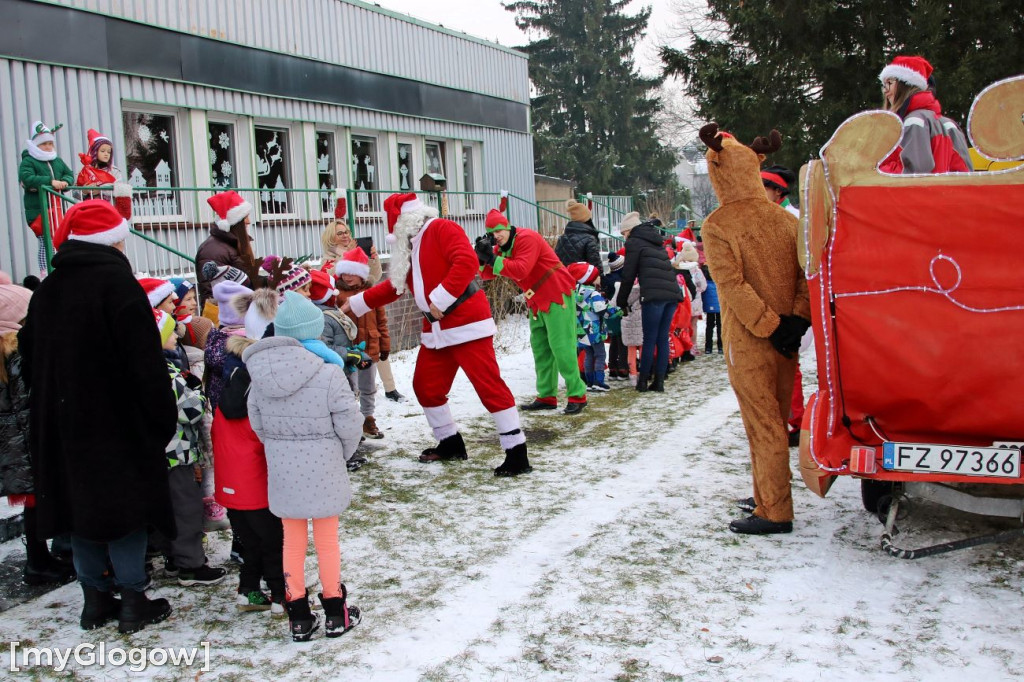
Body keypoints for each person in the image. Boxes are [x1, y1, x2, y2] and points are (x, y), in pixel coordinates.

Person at [19, 199, 177, 632]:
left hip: (63, 425)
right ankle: (131, 600)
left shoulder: (49, 288)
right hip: (117, 425)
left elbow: (30, 359)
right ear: (112, 239)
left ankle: (94, 601)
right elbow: (144, 365)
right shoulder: (118, 285)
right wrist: (159, 420)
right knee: (125, 510)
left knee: (80, 509)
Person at [341, 193, 530, 476]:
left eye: (393, 226)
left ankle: (517, 453)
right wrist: (353, 304)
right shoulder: (411, 248)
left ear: (404, 221)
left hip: (467, 324)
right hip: (437, 332)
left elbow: (466, 263)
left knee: (488, 386)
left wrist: (439, 300)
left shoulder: (441, 228)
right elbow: (394, 288)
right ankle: (450, 442)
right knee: (426, 387)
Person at [698, 123, 811, 535]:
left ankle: (775, 510)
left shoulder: (718, 224)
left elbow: (731, 286)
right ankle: (768, 493)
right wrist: (795, 322)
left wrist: (770, 325)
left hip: (750, 338)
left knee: (761, 424)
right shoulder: (785, 220)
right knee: (775, 421)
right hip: (786, 338)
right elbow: (805, 277)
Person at [243, 291, 363, 641]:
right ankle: (335, 612)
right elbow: (350, 423)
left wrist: (280, 449)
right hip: (324, 466)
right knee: (327, 542)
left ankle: (298, 616)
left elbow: (258, 424)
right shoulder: (328, 373)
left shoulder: (259, 375)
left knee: (291, 543)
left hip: (283, 470)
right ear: (314, 331)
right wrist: (339, 453)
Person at [0, 273, 76, 586]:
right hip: (26, 440)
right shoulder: (14, 355)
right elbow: (27, 401)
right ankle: (38, 561)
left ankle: (41, 556)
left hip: (12, 443)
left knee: (35, 500)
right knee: (36, 500)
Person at [476, 205, 588, 414]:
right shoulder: (502, 247)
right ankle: (546, 396)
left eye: (499, 230)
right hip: (536, 300)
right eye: (492, 233)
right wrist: (481, 258)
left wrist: (492, 259)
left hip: (556, 293)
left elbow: (520, 269)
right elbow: (486, 275)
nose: (496, 236)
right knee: (541, 348)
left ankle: (577, 395)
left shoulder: (527, 238)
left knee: (562, 347)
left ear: (507, 227)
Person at [211, 312, 285, 617]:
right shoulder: (260, 397)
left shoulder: (227, 392)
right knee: (273, 541)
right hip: (256, 486)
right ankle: (283, 596)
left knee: (249, 541)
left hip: (230, 486)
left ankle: (248, 590)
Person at [152, 310, 226, 586]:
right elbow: (191, 410)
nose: (176, 336)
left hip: (159, 453)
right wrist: (197, 391)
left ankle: (172, 558)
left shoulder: (141, 368)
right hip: (176, 450)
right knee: (185, 508)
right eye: (170, 332)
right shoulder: (166, 372)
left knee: (167, 508)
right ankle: (191, 565)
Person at [321, 203, 404, 403]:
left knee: (377, 346)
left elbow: (373, 278)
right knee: (357, 357)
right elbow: (332, 277)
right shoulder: (327, 260)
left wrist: (372, 258)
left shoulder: (357, 252)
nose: (345, 236)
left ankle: (390, 388)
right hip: (346, 319)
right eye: (339, 233)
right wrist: (346, 256)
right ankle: (356, 396)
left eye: (346, 232)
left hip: (366, 305)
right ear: (330, 237)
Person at [615, 211, 684, 393]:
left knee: (649, 339)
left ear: (629, 230)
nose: (624, 237)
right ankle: (659, 381)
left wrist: (621, 301)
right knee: (661, 338)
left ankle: (643, 381)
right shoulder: (655, 240)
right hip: (672, 294)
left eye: (624, 233)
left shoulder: (634, 242)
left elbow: (628, 274)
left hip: (654, 296)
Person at [878, 55, 972, 175]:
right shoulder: (948, 124)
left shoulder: (914, 121)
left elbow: (911, 174)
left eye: (889, 83)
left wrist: (874, 170)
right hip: (946, 193)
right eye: (883, 85)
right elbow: (965, 174)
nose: (885, 90)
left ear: (905, 84)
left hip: (916, 193)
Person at [334, 247, 390, 440]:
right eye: (345, 273)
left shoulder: (372, 293)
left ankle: (368, 418)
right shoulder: (336, 294)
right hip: (348, 351)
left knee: (368, 387)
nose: (348, 277)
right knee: (350, 388)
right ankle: (351, 423)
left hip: (370, 348)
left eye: (353, 273)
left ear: (361, 274)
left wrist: (384, 345)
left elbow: (382, 321)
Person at [19, 121, 74, 276]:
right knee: (46, 241)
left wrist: (66, 182)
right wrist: (50, 182)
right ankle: (46, 271)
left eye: (50, 143)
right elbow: (26, 178)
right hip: (39, 210)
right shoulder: (28, 161)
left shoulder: (57, 161)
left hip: (56, 208)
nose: (48, 147)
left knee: (60, 238)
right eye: (44, 144)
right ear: (36, 145)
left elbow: (69, 174)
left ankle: (60, 268)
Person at [568, 262, 619, 392]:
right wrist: (616, 311)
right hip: (594, 330)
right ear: (589, 279)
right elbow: (603, 311)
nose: (600, 278)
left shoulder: (574, 294)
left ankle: (589, 381)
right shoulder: (593, 294)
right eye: (597, 276)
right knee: (600, 354)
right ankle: (599, 381)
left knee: (589, 355)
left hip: (580, 331)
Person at [196, 191, 255, 304]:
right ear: (235, 223)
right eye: (245, 217)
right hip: (230, 316)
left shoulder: (231, 245)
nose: (249, 221)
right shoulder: (213, 251)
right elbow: (211, 294)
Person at [555, 199, 603, 273]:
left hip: (566, 280)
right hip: (584, 281)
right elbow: (595, 264)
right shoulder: (590, 239)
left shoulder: (562, 238)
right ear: (586, 219)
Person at [603, 251, 628, 379]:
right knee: (623, 340)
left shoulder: (607, 279)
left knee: (613, 340)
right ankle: (623, 367)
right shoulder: (622, 281)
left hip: (609, 314)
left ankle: (612, 367)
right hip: (620, 312)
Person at [702, 264, 722, 355]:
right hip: (720, 308)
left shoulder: (706, 285)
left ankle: (708, 347)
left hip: (709, 309)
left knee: (709, 326)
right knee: (720, 326)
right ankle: (721, 346)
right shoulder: (719, 285)